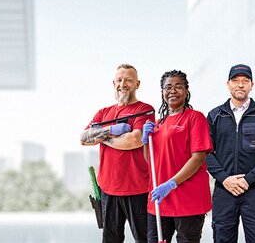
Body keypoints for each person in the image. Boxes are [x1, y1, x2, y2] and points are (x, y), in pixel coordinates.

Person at [80, 64, 155, 243]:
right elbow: (83, 138)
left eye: (129, 80)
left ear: (137, 84)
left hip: (138, 188)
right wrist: (112, 130)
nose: (123, 84)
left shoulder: (144, 110)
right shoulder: (103, 113)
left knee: (145, 239)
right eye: (119, 80)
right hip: (108, 189)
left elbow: (134, 141)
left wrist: (101, 135)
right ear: (113, 83)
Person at [142, 70, 213, 243]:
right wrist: (145, 141)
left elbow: (198, 158)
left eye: (178, 87)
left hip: (188, 200)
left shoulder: (195, 118)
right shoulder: (158, 124)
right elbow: (150, 161)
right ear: (162, 93)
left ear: (186, 91)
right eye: (168, 87)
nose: (173, 91)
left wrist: (171, 183)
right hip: (159, 201)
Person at [206, 64, 255, 243]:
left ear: (252, 85)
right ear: (228, 84)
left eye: (245, 81)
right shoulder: (215, 115)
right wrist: (224, 179)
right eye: (235, 81)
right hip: (223, 190)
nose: (240, 85)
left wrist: (248, 179)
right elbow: (206, 153)